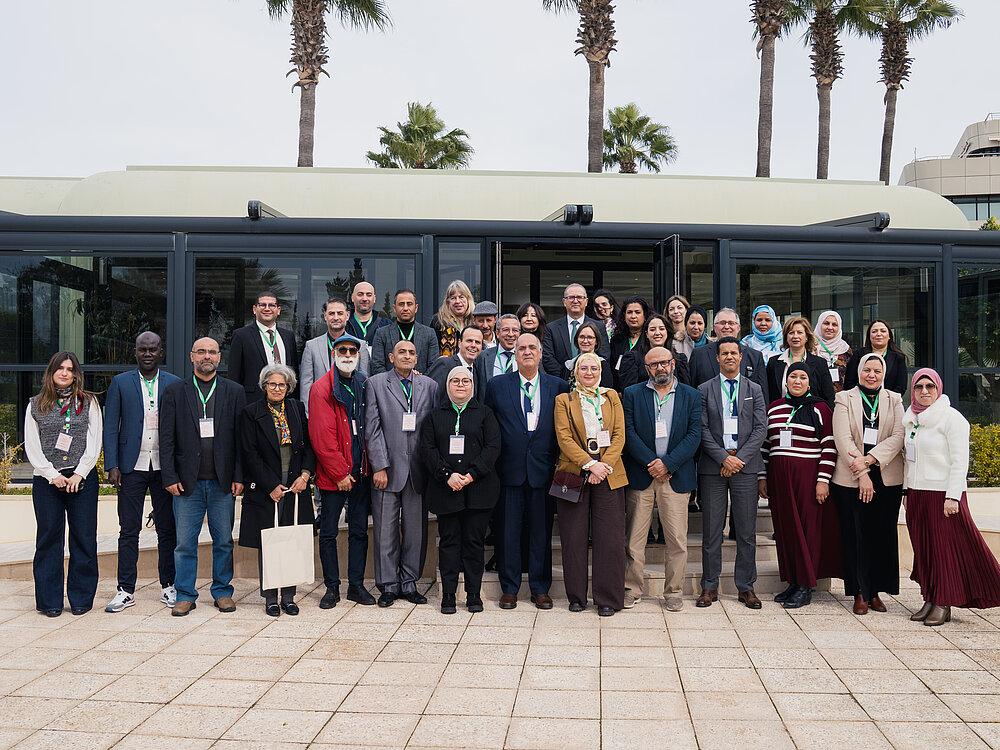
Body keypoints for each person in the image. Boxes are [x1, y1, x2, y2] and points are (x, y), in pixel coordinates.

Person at [903, 368, 1000, 626]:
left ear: (938, 389)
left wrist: (953, 497)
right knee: (925, 551)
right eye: (919, 387)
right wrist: (905, 491)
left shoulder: (951, 418)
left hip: (943, 496)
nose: (924, 392)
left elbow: (960, 462)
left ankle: (944, 603)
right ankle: (930, 598)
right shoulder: (911, 418)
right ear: (912, 390)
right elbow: (909, 460)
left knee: (943, 550)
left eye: (929, 387)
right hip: (917, 494)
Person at [160, 338, 246, 616]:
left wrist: (238, 475)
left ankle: (222, 591)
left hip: (223, 482)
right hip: (187, 482)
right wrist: (169, 476)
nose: (206, 356)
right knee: (185, 543)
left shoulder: (234, 391)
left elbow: (240, 439)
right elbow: (167, 438)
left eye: (212, 352)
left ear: (220, 357)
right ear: (191, 356)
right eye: (201, 352)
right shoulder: (174, 392)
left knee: (223, 541)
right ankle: (185, 593)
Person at [484, 333, 570, 609]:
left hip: (544, 472)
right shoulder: (497, 386)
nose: (527, 352)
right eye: (522, 348)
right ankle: (509, 588)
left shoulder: (557, 386)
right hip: (508, 471)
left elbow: (563, 429)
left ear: (541, 353)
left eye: (533, 347)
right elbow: (490, 429)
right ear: (515, 354)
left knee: (540, 532)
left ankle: (540, 588)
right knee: (507, 532)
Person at [103, 332, 180, 613]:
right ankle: (125, 590)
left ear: (161, 352)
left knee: (167, 530)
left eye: (153, 349)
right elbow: (111, 425)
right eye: (142, 350)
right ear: (135, 352)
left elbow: (181, 428)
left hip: (164, 467)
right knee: (128, 530)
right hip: (130, 468)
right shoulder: (121, 383)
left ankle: (168, 586)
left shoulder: (174, 383)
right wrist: (111, 465)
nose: (148, 354)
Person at [622, 346, 702, 611]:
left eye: (664, 363)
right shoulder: (633, 394)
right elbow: (629, 433)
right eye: (654, 364)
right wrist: (652, 463)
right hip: (641, 474)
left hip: (675, 476)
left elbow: (694, 436)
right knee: (634, 538)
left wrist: (668, 464)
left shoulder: (691, 395)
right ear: (647, 369)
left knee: (677, 540)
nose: (660, 368)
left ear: (673, 364)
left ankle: (674, 591)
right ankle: (632, 589)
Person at [24, 351, 102, 617]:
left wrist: (80, 473)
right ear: (52, 372)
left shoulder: (88, 402)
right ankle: (49, 602)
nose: (65, 373)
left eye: (70, 369)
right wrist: (51, 474)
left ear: (76, 373)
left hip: (82, 479)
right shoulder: (36, 404)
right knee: (48, 540)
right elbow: (32, 445)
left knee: (83, 538)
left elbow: (95, 440)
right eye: (60, 369)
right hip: (48, 481)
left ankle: (81, 598)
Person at [758, 363, 841, 609]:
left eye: (802, 377)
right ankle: (793, 581)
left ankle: (806, 585)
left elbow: (829, 445)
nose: (797, 381)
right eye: (792, 376)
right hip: (779, 480)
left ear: (809, 382)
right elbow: (765, 445)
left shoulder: (820, 408)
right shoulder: (774, 408)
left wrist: (823, 481)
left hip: (808, 479)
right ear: (786, 380)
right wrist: (762, 477)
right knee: (786, 531)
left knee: (807, 531)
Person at [420, 366, 502, 614]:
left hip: (478, 490)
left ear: (472, 385)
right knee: (449, 543)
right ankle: (448, 595)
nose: (460, 384)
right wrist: (447, 475)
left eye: (465, 380)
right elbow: (427, 448)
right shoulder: (435, 415)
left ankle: (473, 595)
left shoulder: (485, 413)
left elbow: (493, 446)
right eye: (455, 380)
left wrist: (471, 475)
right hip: (446, 489)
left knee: (474, 544)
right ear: (447, 385)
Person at [696, 337, 768, 610]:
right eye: (723, 353)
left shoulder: (755, 389)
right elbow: (702, 429)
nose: (728, 357)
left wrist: (740, 459)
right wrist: (724, 458)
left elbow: (761, 429)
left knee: (746, 532)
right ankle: (709, 586)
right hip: (714, 467)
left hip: (746, 467)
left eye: (733, 353)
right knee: (712, 530)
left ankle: (746, 587)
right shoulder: (704, 389)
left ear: (741, 357)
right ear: (717, 358)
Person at [831, 353, 905, 615]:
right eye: (867, 370)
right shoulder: (844, 397)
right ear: (859, 371)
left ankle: (876, 591)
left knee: (881, 534)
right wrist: (862, 472)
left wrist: (871, 460)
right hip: (851, 478)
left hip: (886, 477)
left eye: (877, 371)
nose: (872, 375)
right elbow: (842, 437)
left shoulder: (894, 399)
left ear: (884, 373)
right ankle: (860, 591)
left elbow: (898, 436)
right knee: (856, 535)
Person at [238, 364, 315, 616]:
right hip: (266, 485)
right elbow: (249, 453)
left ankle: (289, 597)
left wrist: (305, 475)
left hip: (294, 483)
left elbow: (307, 446)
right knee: (269, 541)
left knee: (291, 540)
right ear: (264, 386)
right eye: (272, 384)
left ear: (289, 387)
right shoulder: (251, 413)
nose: (277, 388)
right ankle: (271, 597)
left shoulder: (296, 408)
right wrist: (269, 485)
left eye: (282, 384)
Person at [553, 354, 627, 616]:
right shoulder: (565, 400)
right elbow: (563, 437)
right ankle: (576, 596)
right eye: (583, 368)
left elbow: (619, 434)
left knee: (610, 538)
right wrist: (589, 464)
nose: (589, 372)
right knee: (574, 536)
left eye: (593, 368)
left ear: (600, 371)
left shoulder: (612, 397)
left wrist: (603, 465)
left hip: (609, 472)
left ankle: (607, 598)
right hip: (575, 472)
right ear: (575, 372)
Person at [365, 340, 438, 607]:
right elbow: (371, 429)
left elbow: (433, 429)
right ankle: (387, 585)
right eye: (402, 353)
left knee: (415, 531)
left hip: (418, 470)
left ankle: (409, 582)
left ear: (417, 358)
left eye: (411, 353)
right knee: (385, 531)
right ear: (391, 357)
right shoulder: (376, 384)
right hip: (388, 468)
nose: (407, 356)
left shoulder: (429, 386)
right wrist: (379, 466)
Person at [308, 334, 377, 607]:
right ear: (333, 352)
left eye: (352, 351)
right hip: (333, 477)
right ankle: (332, 587)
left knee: (359, 531)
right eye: (342, 350)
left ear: (358, 355)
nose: (347, 354)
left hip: (360, 473)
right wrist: (339, 474)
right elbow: (321, 437)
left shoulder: (364, 383)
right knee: (328, 533)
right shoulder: (321, 388)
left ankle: (356, 586)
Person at [301, 297, 370, 412]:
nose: (336, 317)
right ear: (325, 316)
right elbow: (306, 385)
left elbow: (365, 383)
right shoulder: (311, 346)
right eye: (331, 313)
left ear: (347, 316)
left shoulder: (360, 346)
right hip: (321, 410)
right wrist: (308, 415)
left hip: (350, 411)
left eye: (340, 313)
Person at [229, 291, 300, 402]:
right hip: (253, 403)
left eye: (272, 305)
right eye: (262, 305)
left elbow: (294, 372)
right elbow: (234, 376)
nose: (267, 309)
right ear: (254, 309)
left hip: (285, 402)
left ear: (278, 310)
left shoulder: (288, 336)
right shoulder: (241, 336)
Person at [688, 308, 767, 394]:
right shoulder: (699, 355)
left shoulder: (755, 356)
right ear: (714, 328)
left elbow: (763, 395)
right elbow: (691, 392)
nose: (726, 326)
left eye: (731, 323)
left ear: (738, 327)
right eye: (722, 323)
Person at [765, 317, 836, 408]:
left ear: (807, 337)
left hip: (811, 417)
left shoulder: (819, 363)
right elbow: (768, 395)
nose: (795, 336)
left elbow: (828, 396)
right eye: (791, 333)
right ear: (786, 337)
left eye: (800, 332)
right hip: (781, 415)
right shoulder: (774, 362)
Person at [541, 283, 609, 377]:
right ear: (564, 301)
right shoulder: (552, 328)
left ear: (586, 301)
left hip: (591, 382)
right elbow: (548, 358)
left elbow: (604, 356)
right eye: (571, 297)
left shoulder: (599, 327)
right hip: (561, 383)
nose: (575, 301)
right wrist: (567, 376)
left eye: (580, 297)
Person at [371, 289, 440, 375]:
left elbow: (434, 366)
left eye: (409, 304)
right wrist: (394, 381)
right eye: (401, 304)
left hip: (421, 386)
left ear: (416, 308)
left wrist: (419, 380)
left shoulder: (429, 333)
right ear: (394, 308)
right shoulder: (381, 333)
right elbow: (377, 366)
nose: (405, 308)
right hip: (389, 386)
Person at [618, 313, 691, 390]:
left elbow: (685, 391)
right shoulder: (632, 359)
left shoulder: (680, 360)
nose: (657, 333)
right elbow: (629, 393)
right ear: (646, 334)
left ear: (667, 332)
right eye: (652, 329)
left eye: (662, 329)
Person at [843, 319, 908, 395]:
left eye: (883, 331)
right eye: (874, 331)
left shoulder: (898, 358)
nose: (879, 334)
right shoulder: (858, 355)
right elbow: (850, 382)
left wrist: (889, 400)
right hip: (860, 402)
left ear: (889, 336)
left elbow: (901, 386)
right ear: (869, 336)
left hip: (889, 402)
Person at [428, 324, 484, 405]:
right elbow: (430, 396)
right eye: (469, 341)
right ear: (459, 343)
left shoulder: (476, 370)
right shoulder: (445, 364)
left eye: (477, 342)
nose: (473, 345)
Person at [609, 295, 652, 385]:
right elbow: (612, 367)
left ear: (645, 315)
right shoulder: (617, 340)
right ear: (624, 316)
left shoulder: (650, 339)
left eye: (637, 312)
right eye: (629, 312)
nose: (633, 316)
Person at [562, 321, 614, 388]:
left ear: (596, 341)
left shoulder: (603, 365)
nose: (585, 341)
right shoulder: (569, 365)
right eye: (582, 337)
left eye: (590, 337)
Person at [430, 280, 475, 358]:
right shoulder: (439, 321)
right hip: (446, 368)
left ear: (468, 299)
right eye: (453, 298)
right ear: (448, 302)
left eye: (461, 297)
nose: (457, 301)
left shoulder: (474, 320)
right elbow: (431, 351)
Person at [346, 280, 392, 351]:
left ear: (374, 299)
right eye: (360, 294)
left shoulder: (386, 325)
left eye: (369, 295)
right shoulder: (344, 324)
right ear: (352, 297)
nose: (364, 299)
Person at [474, 314, 520, 385]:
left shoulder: (525, 357)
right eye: (506, 330)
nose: (511, 334)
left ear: (519, 334)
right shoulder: (482, 357)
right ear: (497, 333)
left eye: (515, 330)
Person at [814, 310, 852, 392]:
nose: (830, 327)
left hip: (841, 399)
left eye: (834, 325)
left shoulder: (845, 350)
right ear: (819, 325)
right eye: (826, 323)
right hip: (815, 399)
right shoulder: (810, 348)